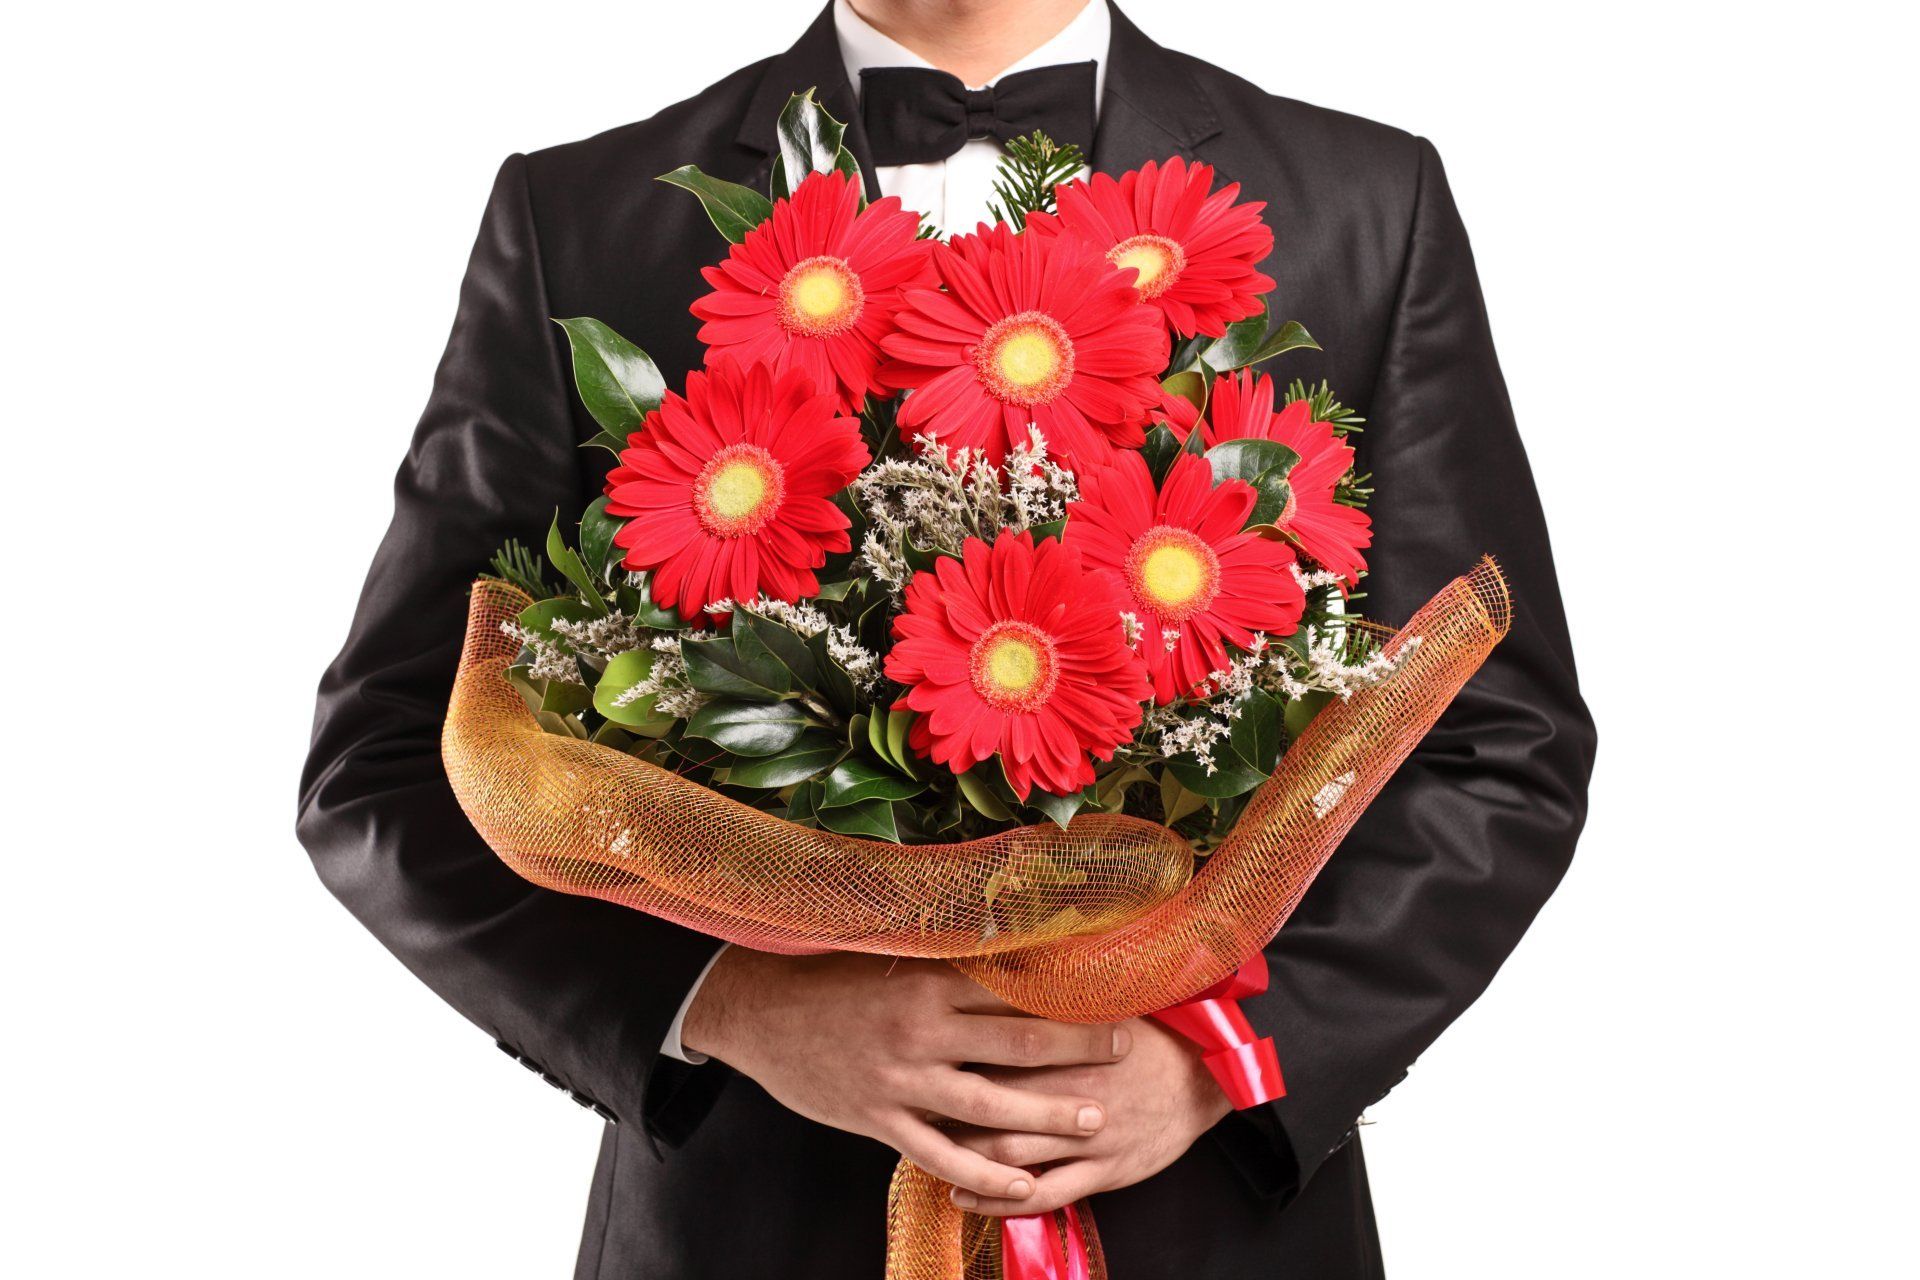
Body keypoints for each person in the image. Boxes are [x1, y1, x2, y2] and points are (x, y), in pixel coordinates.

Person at [296, 1, 1597, 1275]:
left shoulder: (1361, 202)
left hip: (1210, 1225)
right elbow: (386, 762)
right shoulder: (581, 215)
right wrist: (728, 1007)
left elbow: (1497, 741)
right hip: (751, 1219)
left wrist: (1227, 1063)